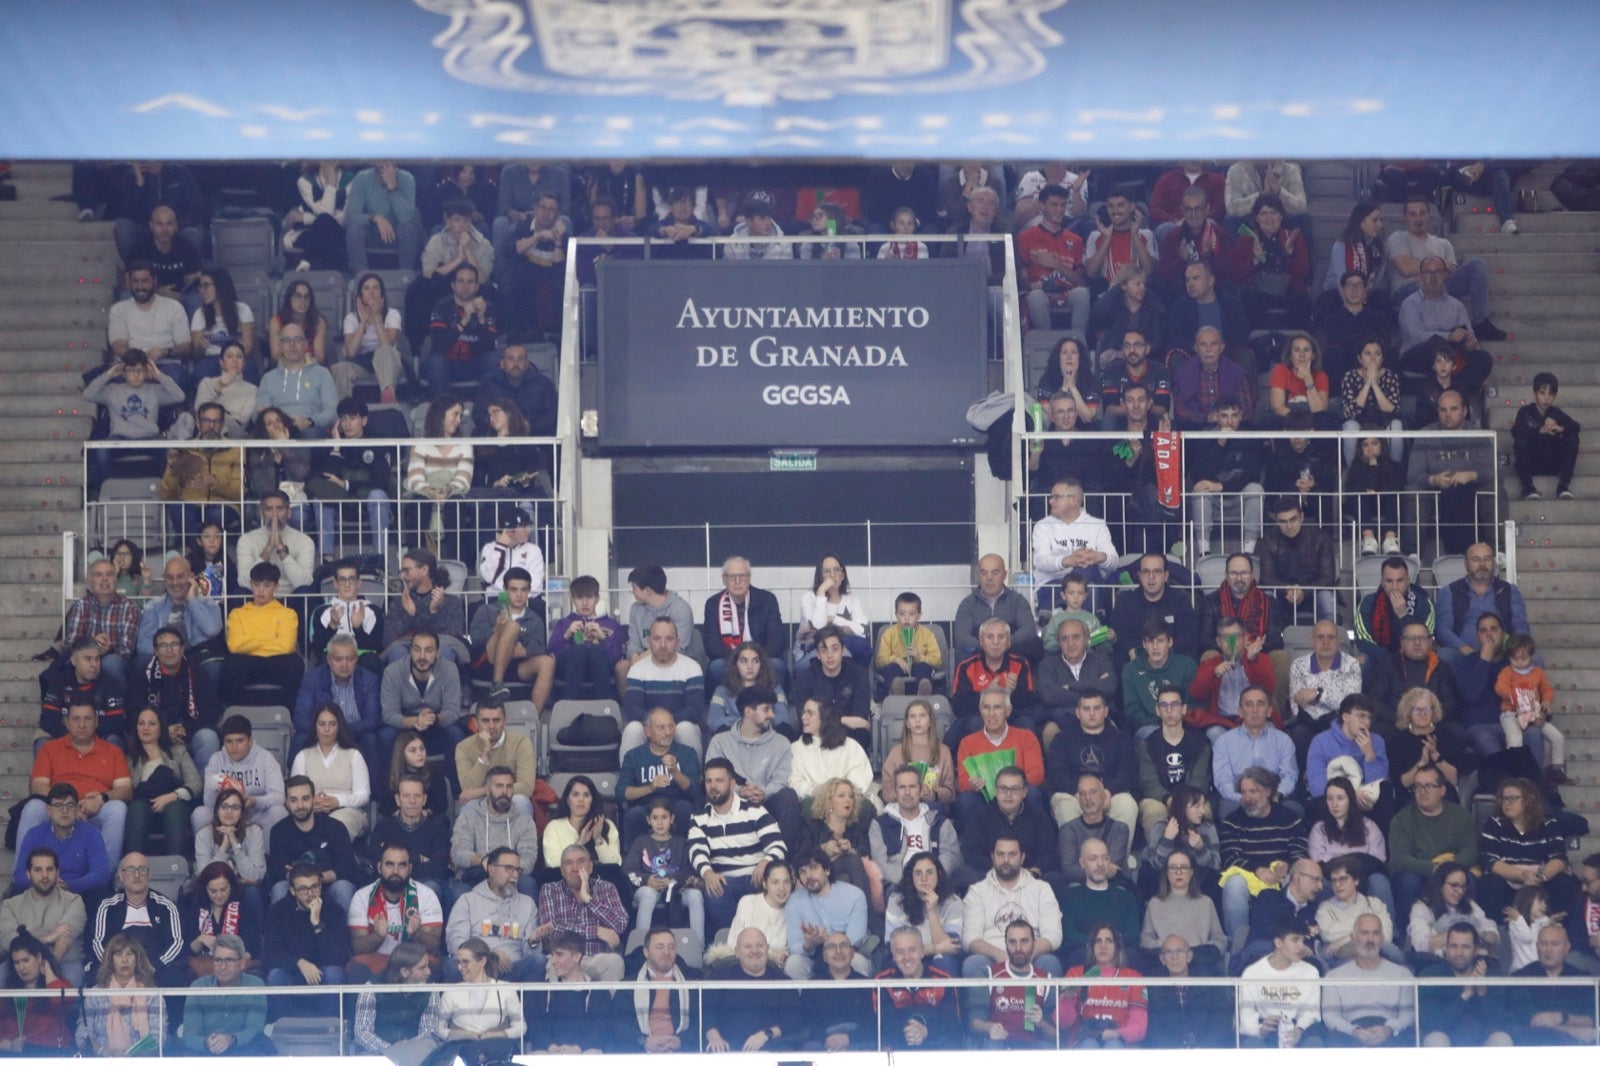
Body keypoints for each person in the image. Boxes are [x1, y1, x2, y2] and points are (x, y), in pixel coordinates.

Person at [20, 698, 131, 868]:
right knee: (33, 808)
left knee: (117, 809)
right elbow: (38, 785)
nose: (81, 724)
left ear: (96, 721)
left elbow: (126, 789)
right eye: (76, 719)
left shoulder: (113, 751)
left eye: (87, 718)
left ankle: (105, 876)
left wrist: (102, 798)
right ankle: (20, 877)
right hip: (58, 808)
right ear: (66, 722)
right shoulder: (50, 749)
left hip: (94, 811)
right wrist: (68, 805)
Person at [689, 758, 787, 933]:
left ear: (733, 783)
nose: (713, 786)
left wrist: (766, 862)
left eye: (719, 780)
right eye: (709, 781)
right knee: (713, 890)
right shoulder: (699, 818)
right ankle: (737, 943)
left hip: (755, 878)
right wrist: (707, 872)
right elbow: (697, 851)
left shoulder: (754, 810)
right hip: (725, 881)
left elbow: (778, 845)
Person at [1387, 194, 1504, 339]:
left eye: (1422, 213)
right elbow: (1405, 269)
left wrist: (1420, 268)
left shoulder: (1443, 244)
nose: (1418, 219)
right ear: (1405, 217)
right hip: (1407, 292)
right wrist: (1439, 265)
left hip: (1440, 290)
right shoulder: (1397, 237)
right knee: (1425, 287)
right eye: (1412, 214)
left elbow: (1450, 273)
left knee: (1477, 264)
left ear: (1429, 215)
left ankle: (1481, 322)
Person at [1218, 767, 1306, 951]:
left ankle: (1294, 942)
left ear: (1268, 791)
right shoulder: (1231, 821)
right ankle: (1238, 948)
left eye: (1253, 791)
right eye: (1243, 792)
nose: (1247, 798)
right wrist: (1257, 869)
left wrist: (1288, 865)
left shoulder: (1290, 818)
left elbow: (1299, 852)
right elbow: (1229, 858)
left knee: (1297, 879)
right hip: (1248, 875)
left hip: (1281, 876)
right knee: (1233, 884)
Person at [705, 686, 803, 846]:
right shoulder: (720, 742)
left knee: (788, 796)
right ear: (748, 712)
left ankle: (782, 861)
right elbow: (713, 779)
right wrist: (739, 791)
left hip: (767, 802)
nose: (772, 715)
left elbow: (781, 781)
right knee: (714, 794)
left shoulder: (781, 743)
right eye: (766, 709)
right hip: (733, 802)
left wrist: (763, 792)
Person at [962, 835, 1063, 977]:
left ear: (1022, 857)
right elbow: (970, 939)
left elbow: (1054, 935)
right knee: (973, 964)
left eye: (1012, 854)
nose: (1006, 860)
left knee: (1050, 963)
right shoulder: (977, 891)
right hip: (993, 957)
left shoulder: (1042, 889)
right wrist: (1000, 955)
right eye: (1000, 854)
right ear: (992, 856)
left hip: (1032, 956)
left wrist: (1025, 954)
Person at [1408, 388, 1495, 552]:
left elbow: (1491, 472)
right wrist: (1433, 480)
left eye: (1454, 409)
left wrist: (1472, 475)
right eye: (1443, 410)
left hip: (1470, 491)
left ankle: (1498, 552)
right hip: (1435, 493)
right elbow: (1413, 475)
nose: (1448, 414)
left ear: (1464, 411)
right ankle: (1413, 555)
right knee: (1413, 492)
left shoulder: (1478, 434)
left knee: (1495, 490)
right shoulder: (1425, 434)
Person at [1479, 776, 1578, 917]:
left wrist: (1542, 877)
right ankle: (1500, 930)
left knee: (1565, 883)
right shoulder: (1495, 823)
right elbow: (1489, 861)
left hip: (1540, 879)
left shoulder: (1548, 823)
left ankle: (1555, 928)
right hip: (1508, 879)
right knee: (1489, 883)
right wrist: (1522, 875)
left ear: (1528, 800)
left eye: (1513, 798)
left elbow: (1559, 859)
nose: (1507, 803)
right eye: (1504, 799)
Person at [442, 845, 543, 982]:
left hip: (513, 969)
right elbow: (456, 944)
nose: (514, 875)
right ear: (491, 869)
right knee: (451, 965)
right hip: (477, 968)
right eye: (508, 869)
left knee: (538, 961)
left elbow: (530, 955)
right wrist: (488, 954)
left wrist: (533, 942)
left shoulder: (527, 904)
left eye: (517, 870)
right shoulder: (468, 900)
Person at [347, 843, 445, 983]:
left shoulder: (427, 895)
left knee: (432, 966)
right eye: (389, 865)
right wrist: (377, 936)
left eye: (402, 865)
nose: (396, 871)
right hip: (378, 958)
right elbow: (357, 947)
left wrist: (417, 934)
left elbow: (433, 946)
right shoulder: (362, 896)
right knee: (357, 968)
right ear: (379, 867)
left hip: (413, 960)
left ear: (410, 868)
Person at [88, 852, 187, 987]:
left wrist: (151, 967)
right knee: (93, 976)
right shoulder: (107, 906)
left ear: (149, 874)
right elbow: (97, 943)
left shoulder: (166, 906)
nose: (137, 875)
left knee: (175, 977)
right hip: (116, 967)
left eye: (142, 869)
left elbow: (177, 943)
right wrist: (116, 968)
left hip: (155, 968)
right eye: (130, 870)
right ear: (121, 876)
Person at [533, 844, 627, 981]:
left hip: (599, 957)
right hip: (563, 958)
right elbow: (552, 931)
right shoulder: (549, 890)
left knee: (615, 962)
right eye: (568, 863)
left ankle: (606, 1003)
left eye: (581, 862)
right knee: (553, 964)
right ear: (562, 870)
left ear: (590, 866)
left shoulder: (607, 888)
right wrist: (595, 931)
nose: (575, 868)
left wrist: (589, 900)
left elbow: (620, 924)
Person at [267, 775, 361, 912]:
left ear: (313, 799)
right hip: (297, 889)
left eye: (305, 799)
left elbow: (347, 865)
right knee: (280, 889)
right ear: (286, 802)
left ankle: (345, 933)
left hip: (328, 886)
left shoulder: (335, 827)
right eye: (293, 800)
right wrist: (304, 885)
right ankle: (278, 933)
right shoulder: (278, 831)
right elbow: (279, 869)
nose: (300, 806)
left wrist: (319, 879)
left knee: (343, 888)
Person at [954, 691, 1047, 827]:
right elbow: (963, 782)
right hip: (984, 800)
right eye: (986, 707)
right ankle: (973, 846)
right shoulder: (967, 742)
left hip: (1017, 796)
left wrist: (1011, 787)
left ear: (1008, 711)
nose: (991, 713)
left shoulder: (1026, 737)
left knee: (1032, 792)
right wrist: (973, 784)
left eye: (997, 707)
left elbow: (1037, 775)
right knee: (966, 799)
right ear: (980, 711)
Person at [1322, 914, 1416, 1047]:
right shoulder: (1334, 977)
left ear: (1382, 939)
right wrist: (1353, 1031)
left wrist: (1389, 1029)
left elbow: (1409, 1014)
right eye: (1364, 933)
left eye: (1376, 933)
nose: (1370, 939)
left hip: (1391, 1035)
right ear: (1353, 938)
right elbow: (1330, 1016)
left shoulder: (1403, 974)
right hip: (1349, 1035)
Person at [296, 630, 383, 770]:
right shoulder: (312, 679)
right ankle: (296, 789)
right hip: (321, 733)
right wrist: (326, 731)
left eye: (350, 659)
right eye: (338, 659)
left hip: (356, 734)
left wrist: (340, 731)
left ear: (356, 659)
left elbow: (373, 719)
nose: (344, 664)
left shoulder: (369, 679)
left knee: (370, 739)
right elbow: (301, 720)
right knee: (300, 739)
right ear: (329, 659)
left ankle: (373, 792)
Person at [123, 705, 201, 857]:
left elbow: (196, 783)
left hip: (174, 808)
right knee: (137, 807)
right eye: (141, 723)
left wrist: (171, 797)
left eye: (152, 724)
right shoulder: (129, 759)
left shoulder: (177, 751)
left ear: (161, 728)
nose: (146, 728)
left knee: (174, 809)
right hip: (142, 812)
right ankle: (133, 866)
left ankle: (176, 866)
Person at [1416, 923, 1512, 1047]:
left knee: (1502, 1039)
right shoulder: (1430, 975)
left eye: (1465, 947)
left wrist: (1482, 990)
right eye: (1453, 946)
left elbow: (1498, 1024)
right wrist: (1466, 994)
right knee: (1436, 1039)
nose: (1459, 953)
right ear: (1446, 948)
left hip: (1483, 1046)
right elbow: (1433, 1025)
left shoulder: (1492, 976)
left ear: (1476, 950)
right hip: (1446, 1042)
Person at [450, 765, 539, 897]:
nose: (504, 791)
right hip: (477, 874)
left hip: (513, 877)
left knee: (528, 884)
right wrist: (481, 861)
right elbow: (458, 852)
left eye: (509, 786)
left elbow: (529, 859)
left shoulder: (524, 821)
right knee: (459, 891)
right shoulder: (468, 817)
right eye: (499, 786)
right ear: (487, 789)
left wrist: (502, 870)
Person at [0, 848, 86, 986]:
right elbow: (9, 942)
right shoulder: (10, 905)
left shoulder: (74, 901)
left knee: (73, 979)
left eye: (50, 869)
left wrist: (48, 967)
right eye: (38, 870)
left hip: (63, 962)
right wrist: (48, 937)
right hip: (20, 963)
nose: (45, 875)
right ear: (28, 874)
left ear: (58, 873)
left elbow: (64, 938)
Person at [1137, 693, 1213, 844]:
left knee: (1206, 810)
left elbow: (1199, 781)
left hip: (1191, 798)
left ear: (1184, 708)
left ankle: (1200, 859)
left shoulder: (1200, 743)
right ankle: (1157, 859)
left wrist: (1183, 802)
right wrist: (1169, 800)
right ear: (1158, 710)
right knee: (1153, 810)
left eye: (1175, 705)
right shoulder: (1147, 744)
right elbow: (1149, 783)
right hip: (1160, 799)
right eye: (1164, 705)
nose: (1169, 710)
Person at [963, 764, 1060, 883]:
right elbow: (972, 853)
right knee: (963, 874)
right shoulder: (980, 817)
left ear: (1024, 792)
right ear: (996, 791)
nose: (1008, 794)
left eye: (1014, 789)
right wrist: (998, 872)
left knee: (1055, 879)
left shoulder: (1039, 818)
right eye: (1003, 788)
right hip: (991, 878)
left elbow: (1049, 854)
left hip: (1029, 879)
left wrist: (1033, 871)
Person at [1055, 923, 1148, 1047]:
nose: (1103, 946)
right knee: (1090, 1044)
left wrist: (1117, 1033)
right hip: (1083, 1041)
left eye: (1109, 941)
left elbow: (1139, 1028)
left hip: (1120, 1043)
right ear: (1091, 947)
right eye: (1098, 941)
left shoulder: (1133, 978)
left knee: (1113, 1045)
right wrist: (1067, 998)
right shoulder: (1076, 974)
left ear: (1117, 947)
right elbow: (1062, 1023)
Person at [432, 937, 525, 1060]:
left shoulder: (506, 989)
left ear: (482, 961)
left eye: (465, 962)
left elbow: (521, 1026)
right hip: (460, 1054)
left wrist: (499, 1034)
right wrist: (464, 1034)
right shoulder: (451, 991)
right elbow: (438, 1028)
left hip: (496, 1054)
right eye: (458, 962)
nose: (460, 967)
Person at [380, 628, 466, 761]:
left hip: (436, 724)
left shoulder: (449, 669)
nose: (422, 656)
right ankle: (390, 781)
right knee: (386, 735)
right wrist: (415, 721)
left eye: (429, 650)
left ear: (438, 653)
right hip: (406, 727)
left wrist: (433, 719)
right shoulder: (392, 672)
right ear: (410, 651)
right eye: (416, 649)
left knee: (455, 734)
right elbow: (389, 715)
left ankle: (453, 781)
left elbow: (453, 712)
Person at [195, 713, 287, 836]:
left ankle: (265, 854)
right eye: (229, 741)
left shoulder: (265, 758)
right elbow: (208, 802)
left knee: (279, 812)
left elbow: (279, 797)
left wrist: (255, 801)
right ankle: (209, 854)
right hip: (226, 813)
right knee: (199, 814)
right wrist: (215, 789)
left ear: (250, 741)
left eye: (240, 741)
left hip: (255, 815)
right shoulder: (216, 760)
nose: (234, 747)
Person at [353, 941, 442, 1066]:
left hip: (415, 1055)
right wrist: (390, 1050)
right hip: (378, 1055)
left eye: (428, 966)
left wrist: (405, 1051)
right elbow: (362, 1033)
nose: (429, 972)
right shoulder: (371, 989)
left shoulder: (431, 991)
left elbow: (428, 1032)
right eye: (422, 968)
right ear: (405, 972)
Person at [623, 617, 706, 752]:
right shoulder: (637, 669)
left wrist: (667, 725)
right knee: (633, 729)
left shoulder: (692, 668)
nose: (662, 645)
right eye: (656, 639)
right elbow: (632, 708)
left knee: (687, 729)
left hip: (678, 725)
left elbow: (695, 710)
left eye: (669, 639)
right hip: (649, 727)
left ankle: (692, 773)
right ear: (649, 642)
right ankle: (628, 773)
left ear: (677, 642)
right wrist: (655, 726)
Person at [1229, 193, 1312, 329]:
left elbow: (1304, 273)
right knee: (1247, 299)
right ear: (1256, 217)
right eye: (1263, 213)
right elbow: (1236, 274)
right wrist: (1255, 260)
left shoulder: (1293, 237)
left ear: (1281, 216)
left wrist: (1291, 253)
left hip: (1288, 289)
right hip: (1258, 291)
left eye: (1274, 212)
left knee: (1302, 300)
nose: (1269, 218)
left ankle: (1298, 344)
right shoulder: (1246, 239)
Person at [1209, 684, 1297, 811]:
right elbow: (1223, 781)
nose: (1255, 710)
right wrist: (1242, 798)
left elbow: (1290, 776)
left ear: (1269, 711)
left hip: (1274, 798)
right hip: (1239, 800)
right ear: (1240, 711)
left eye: (1260, 704)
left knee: (1294, 809)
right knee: (1226, 810)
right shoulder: (1224, 742)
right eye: (1249, 704)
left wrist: (1277, 795)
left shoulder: (1283, 740)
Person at [106, 260, 192, 388]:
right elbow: (118, 346)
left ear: (154, 281)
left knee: (177, 377)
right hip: (130, 365)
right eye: (135, 281)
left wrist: (164, 352)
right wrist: (139, 365)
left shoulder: (174, 307)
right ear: (129, 283)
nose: (140, 286)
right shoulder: (118, 309)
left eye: (145, 281)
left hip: (166, 364)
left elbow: (185, 346)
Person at [1286, 620, 1364, 763]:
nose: (1326, 642)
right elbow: (1297, 703)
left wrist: (1317, 695)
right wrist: (1334, 699)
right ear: (1312, 640)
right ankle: (1302, 781)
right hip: (1307, 722)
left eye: (1331, 637)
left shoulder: (1351, 664)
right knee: (1299, 734)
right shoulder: (1299, 665)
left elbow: (1351, 705)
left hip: (1339, 722)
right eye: (1320, 637)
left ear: (1338, 640)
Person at [1237, 919, 1322, 1047]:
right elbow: (1246, 1016)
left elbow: (1312, 1012)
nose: (1301, 946)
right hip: (1265, 1036)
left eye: (1303, 941)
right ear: (1278, 942)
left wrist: (1299, 1029)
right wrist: (1261, 1029)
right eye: (1295, 940)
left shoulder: (1311, 972)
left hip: (1300, 1033)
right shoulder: (1252, 973)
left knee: (1315, 1043)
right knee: (1251, 1046)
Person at [58, 556, 139, 689]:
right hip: (85, 656)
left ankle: (117, 708)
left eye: (109, 574)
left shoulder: (129, 607)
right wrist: (92, 645)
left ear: (116, 579)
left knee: (111, 663)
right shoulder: (81, 605)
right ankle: (78, 705)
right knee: (75, 662)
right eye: (98, 575)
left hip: (117, 661)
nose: (104, 579)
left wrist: (109, 648)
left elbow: (127, 651)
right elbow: (70, 645)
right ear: (90, 581)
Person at [1140, 845, 1225, 971]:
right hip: (1166, 962)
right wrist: (1169, 947)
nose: (1178, 872)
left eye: (1183, 867)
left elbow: (1220, 940)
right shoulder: (1155, 903)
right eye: (1173, 868)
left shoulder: (1206, 902)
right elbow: (1145, 940)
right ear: (1167, 873)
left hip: (1198, 961)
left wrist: (1195, 952)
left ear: (1191, 872)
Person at [876, 927, 963, 1050]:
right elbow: (883, 1025)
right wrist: (918, 1026)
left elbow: (952, 1024)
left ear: (922, 951)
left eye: (912, 950)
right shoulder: (882, 982)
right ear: (893, 956)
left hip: (936, 1051)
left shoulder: (942, 979)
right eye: (900, 952)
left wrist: (927, 1031)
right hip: (899, 1051)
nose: (907, 957)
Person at [76, 935, 164, 1056]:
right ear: (111, 960)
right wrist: (105, 1052)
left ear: (137, 960)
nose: (124, 960)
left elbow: (159, 1036)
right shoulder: (95, 995)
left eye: (129, 954)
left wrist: (135, 1056)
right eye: (119, 954)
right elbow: (82, 1037)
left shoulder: (152, 995)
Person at [1497, 634, 1568, 781]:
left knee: (1558, 737)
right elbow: (1499, 687)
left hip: (1533, 713)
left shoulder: (1537, 672)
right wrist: (1512, 695)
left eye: (1524, 659)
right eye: (1515, 659)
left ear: (1531, 656)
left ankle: (1556, 768)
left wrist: (1546, 702)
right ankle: (1515, 770)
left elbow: (1547, 689)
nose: (1519, 663)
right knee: (1515, 738)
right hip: (1511, 713)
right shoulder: (1507, 672)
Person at [789, 625, 872, 750]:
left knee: (861, 734)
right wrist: (842, 719)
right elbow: (806, 719)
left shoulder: (859, 675)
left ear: (843, 651)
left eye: (835, 649)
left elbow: (859, 719)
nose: (830, 655)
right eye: (824, 650)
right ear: (817, 654)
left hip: (849, 735)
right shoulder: (805, 678)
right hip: (816, 734)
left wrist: (823, 719)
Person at [1259, 496, 1338, 625]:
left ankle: (1328, 643)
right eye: (1283, 521)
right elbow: (1267, 577)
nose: (1289, 526)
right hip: (1281, 593)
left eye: (1293, 519)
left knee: (1326, 597)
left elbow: (1328, 577)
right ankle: (1269, 644)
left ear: (1301, 517)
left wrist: (1304, 591)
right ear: (1276, 521)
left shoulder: (1321, 537)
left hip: (1313, 593)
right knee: (1266, 597)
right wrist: (1287, 589)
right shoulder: (1268, 539)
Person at [1107, 553, 1201, 660]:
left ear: (1166, 576)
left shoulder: (1181, 601)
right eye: (1146, 571)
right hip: (1134, 661)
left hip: (1172, 661)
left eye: (1157, 571)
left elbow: (1188, 637)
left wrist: (1162, 656)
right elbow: (1118, 637)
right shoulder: (1125, 601)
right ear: (1139, 576)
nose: (1151, 577)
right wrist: (1137, 653)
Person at [547, 574, 626, 701]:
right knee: (579, 650)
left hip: (603, 669)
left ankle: (605, 707)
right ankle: (570, 707)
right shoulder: (565, 623)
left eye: (589, 597)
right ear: (572, 599)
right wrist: (567, 635)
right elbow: (551, 655)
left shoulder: (611, 624)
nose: (584, 603)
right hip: (571, 670)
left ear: (597, 598)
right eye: (579, 598)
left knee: (596, 650)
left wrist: (603, 638)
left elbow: (619, 658)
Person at [1030, 477, 1117, 591]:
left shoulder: (1097, 525)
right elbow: (1040, 561)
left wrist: (1098, 557)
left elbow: (1114, 562)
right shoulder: (1043, 525)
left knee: (1088, 571)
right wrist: (1067, 560)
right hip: (1053, 584)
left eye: (1056, 497)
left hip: (1086, 584)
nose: (1050, 501)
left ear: (1073, 501)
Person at [1146, 934, 1233, 1047]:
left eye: (1180, 951)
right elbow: (1154, 1031)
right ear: (1162, 959)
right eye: (1169, 952)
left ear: (1189, 956)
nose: (1174, 957)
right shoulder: (1153, 990)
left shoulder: (1210, 984)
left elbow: (1222, 1024)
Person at [381, 551, 468, 665]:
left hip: (439, 650)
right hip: (406, 650)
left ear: (424, 570)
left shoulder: (451, 602)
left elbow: (452, 638)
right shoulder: (398, 603)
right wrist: (409, 615)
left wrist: (434, 612)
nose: (402, 576)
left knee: (446, 651)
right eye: (401, 571)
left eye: (406, 570)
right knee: (397, 651)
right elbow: (388, 640)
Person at [182, 862, 263, 980]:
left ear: (232, 886)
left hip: (238, 964)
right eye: (213, 891)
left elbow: (252, 946)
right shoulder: (196, 905)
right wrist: (200, 939)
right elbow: (187, 950)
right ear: (205, 889)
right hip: (204, 965)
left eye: (223, 889)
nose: (219, 895)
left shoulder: (245, 904)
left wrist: (231, 965)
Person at [0, 931, 74, 1055]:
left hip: (51, 1052)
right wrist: (4, 1042)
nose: (21, 967)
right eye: (16, 962)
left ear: (39, 957)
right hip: (14, 1055)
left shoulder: (57, 982)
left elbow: (63, 1002)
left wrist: (48, 973)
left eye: (25, 960)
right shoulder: (9, 990)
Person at [1511, 372, 1581, 499]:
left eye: (1551, 394)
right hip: (1532, 462)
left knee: (1572, 438)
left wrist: (1561, 429)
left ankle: (1563, 486)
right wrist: (1540, 431)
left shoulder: (1556, 413)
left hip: (1552, 462)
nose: (1546, 398)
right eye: (1542, 393)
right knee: (1520, 442)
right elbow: (1517, 433)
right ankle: (1528, 488)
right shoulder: (1525, 412)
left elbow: (1576, 427)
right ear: (1534, 393)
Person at [1408, 862, 1498, 958]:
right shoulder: (1421, 907)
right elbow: (1421, 944)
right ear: (1440, 885)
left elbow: (1493, 935)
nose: (1460, 891)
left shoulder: (1470, 905)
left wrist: (1481, 934)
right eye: (1454, 885)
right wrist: (1462, 935)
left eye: (1463, 886)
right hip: (1434, 960)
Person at [345, 161, 423, 271]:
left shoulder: (407, 178)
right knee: (354, 230)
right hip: (372, 232)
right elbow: (351, 217)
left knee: (407, 229)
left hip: (398, 233)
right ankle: (360, 278)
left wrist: (393, 188)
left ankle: (406, 278)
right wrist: (376, 218)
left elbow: (406, 218)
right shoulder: (362, 178)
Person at [1172, 325, 1255, 428]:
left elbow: (1246, 409)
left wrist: (1225, 418)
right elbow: (1180, 413)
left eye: (1214, 344)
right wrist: (1206, 418)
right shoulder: (1183, 374)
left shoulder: (1236, 373)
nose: (1208, 349)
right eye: (1203, 344)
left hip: (1232, 429)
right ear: (1196, 348)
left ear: (1222, 347)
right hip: (1195, 431)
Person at [873, 591, 942, 699]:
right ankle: (897, 690)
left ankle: (924, 691)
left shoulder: (927, 634)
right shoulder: (889, 634)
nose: (906, 618)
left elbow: (937, 660)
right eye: (902, 614)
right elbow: (879, 661)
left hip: (917, 670)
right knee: (892, 668)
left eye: (911, 614)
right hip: (897, 670)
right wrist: (896, 659)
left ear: (919, 615)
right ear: (896, 614)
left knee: (923, 667)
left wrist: (920, 657)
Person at [800, 555, 870, 660]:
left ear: (842, 575)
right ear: (820, 576)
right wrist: (821, 591)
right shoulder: (809, 598)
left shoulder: (852, 600)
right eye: (827, 571)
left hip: (846, 650)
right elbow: (818, 627)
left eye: (837, 570)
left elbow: (864, 630)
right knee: (841, 648)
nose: (833, 575)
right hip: (814, 653)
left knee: (860, 645)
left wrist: (833, 620)